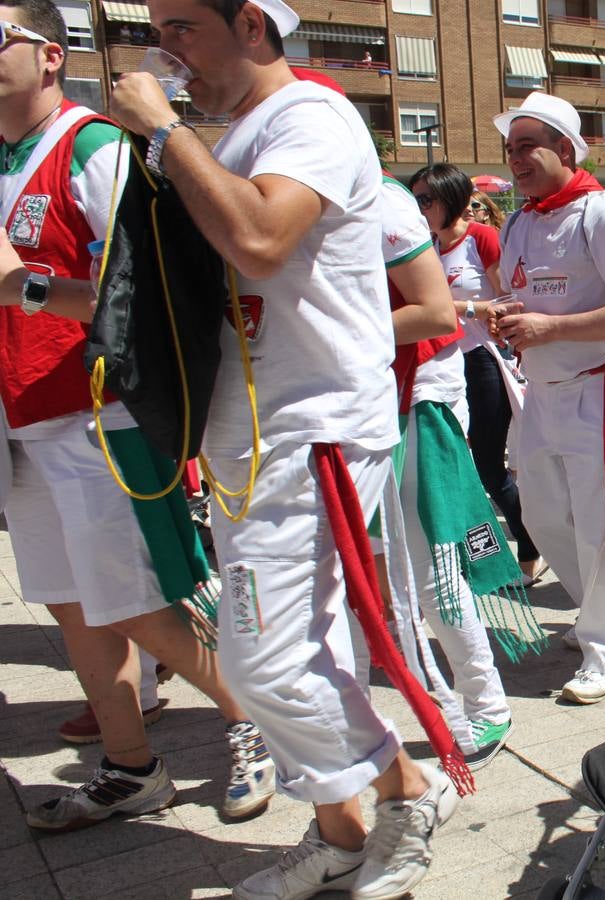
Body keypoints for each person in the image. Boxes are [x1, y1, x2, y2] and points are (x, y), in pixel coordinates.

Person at [108, 0, 461, 895]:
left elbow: (260, 240)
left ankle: (408, 791)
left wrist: (160, 127)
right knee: (284, 655)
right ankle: (341, 835)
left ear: (255, 26)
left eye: (183, 25)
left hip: (317, 432)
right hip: (247, 437)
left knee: (264, 665)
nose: (165, 48)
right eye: (160, 28)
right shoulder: (234, 137)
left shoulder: (312, 116)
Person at [0, 0, 274, 831]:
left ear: (50, 55)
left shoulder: (94, 145)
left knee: (146, 599)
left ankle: (258, 720)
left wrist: (25, 286)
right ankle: (130, 768)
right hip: (24, 419)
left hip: (101, 416)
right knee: (72, 603)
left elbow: (148, 295)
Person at [494, 92, 605, 704]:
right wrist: (507, 317)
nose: (516, 159)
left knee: (598, 525)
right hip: (541, 390)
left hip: (599, 388)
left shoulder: (604, 214)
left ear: (565, 147)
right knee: (538, 515)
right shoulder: (519, 220)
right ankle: (595, 614)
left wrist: (550, 328)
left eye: (528, 146)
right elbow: (519, 295)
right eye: (511, 148)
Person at [409, 163, 543, 585]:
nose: (418, 207)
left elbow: (509, 301)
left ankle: (530, 546)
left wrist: (485, 315)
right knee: (458, 467)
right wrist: (469, 309)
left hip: (483, 361)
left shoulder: (481, 239)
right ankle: (472, 557)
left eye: (425, 199)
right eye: (414, 199)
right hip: (437, 365)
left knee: (488, 467)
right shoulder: (421, 247)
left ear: (450, 200)